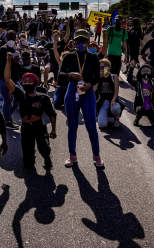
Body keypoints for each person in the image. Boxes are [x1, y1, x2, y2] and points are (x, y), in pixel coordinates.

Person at [58, 29, 104, 168]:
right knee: (72, 125)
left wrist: (90, 84)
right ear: (74, 41)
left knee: (91, 126)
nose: (81, 43)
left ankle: (97, 156)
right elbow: (60, 77)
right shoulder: (69, 57)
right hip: (72, 91)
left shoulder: (93, 57)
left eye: (84, 41)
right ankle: (72, 156)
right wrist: (70, 75)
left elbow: (98, 76)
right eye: (78, 40)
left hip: (87, 92)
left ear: (88, 42)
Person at [5, 53, 57, 169]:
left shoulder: (43, 97)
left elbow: (53, 115)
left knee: (44, 148)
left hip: (39, 126)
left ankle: (47, 158)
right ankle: (30, 158)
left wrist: (53, 130)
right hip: (25, 128)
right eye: (25, 81)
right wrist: (8, 61)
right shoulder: (20, 94)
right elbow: (7, 79)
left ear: (35, 83)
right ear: (22, 84)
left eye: (30, 80)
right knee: (28, 162)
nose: (27, 82)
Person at [127, 60, 154, 127]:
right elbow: (129, 79)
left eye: (148, 71)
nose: (146, 73)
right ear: (140, 73)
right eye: (144, 71)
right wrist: (131, 67)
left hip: (150, 107)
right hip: (139, 107)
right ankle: (137, 119)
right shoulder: (138, 83)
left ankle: (150, 116)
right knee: (143, 108)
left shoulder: (153, 82)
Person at [0, 30, 20, 130]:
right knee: (8, 100)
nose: (13, 40)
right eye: (11, 38)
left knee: (14, 99)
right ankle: (7, 120)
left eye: (13, 38)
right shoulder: (4, 49)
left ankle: (7, 117)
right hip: (4, 80)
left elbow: (15, 66)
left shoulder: (13, 48)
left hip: (10, 79)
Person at [96, 58, 123, 129]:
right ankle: (110, 118)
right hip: (103, 102)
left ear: (108, 67)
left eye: (104, 67)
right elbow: (94, 89)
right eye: (100, 67)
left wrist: (113, 99)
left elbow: (116, 91)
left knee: (116, 108)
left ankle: (116, 118)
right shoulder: (98, 77)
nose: (102, 69)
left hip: (112, 101)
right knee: (102, 125)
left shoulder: (114, 77)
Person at [103, 16, 127, 87]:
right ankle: (105, 89)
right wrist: (105, 53)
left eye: (119, 21)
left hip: (118, 55)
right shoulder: (110, 29)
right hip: (109, 55)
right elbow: (105, 42)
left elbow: (124, 45)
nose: (118, 22)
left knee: (116, 75)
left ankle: (115, 92)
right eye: (117, 21)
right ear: (114, 21)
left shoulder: (124, 31)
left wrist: (126, 55)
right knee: (106, 73)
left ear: (121, 22)